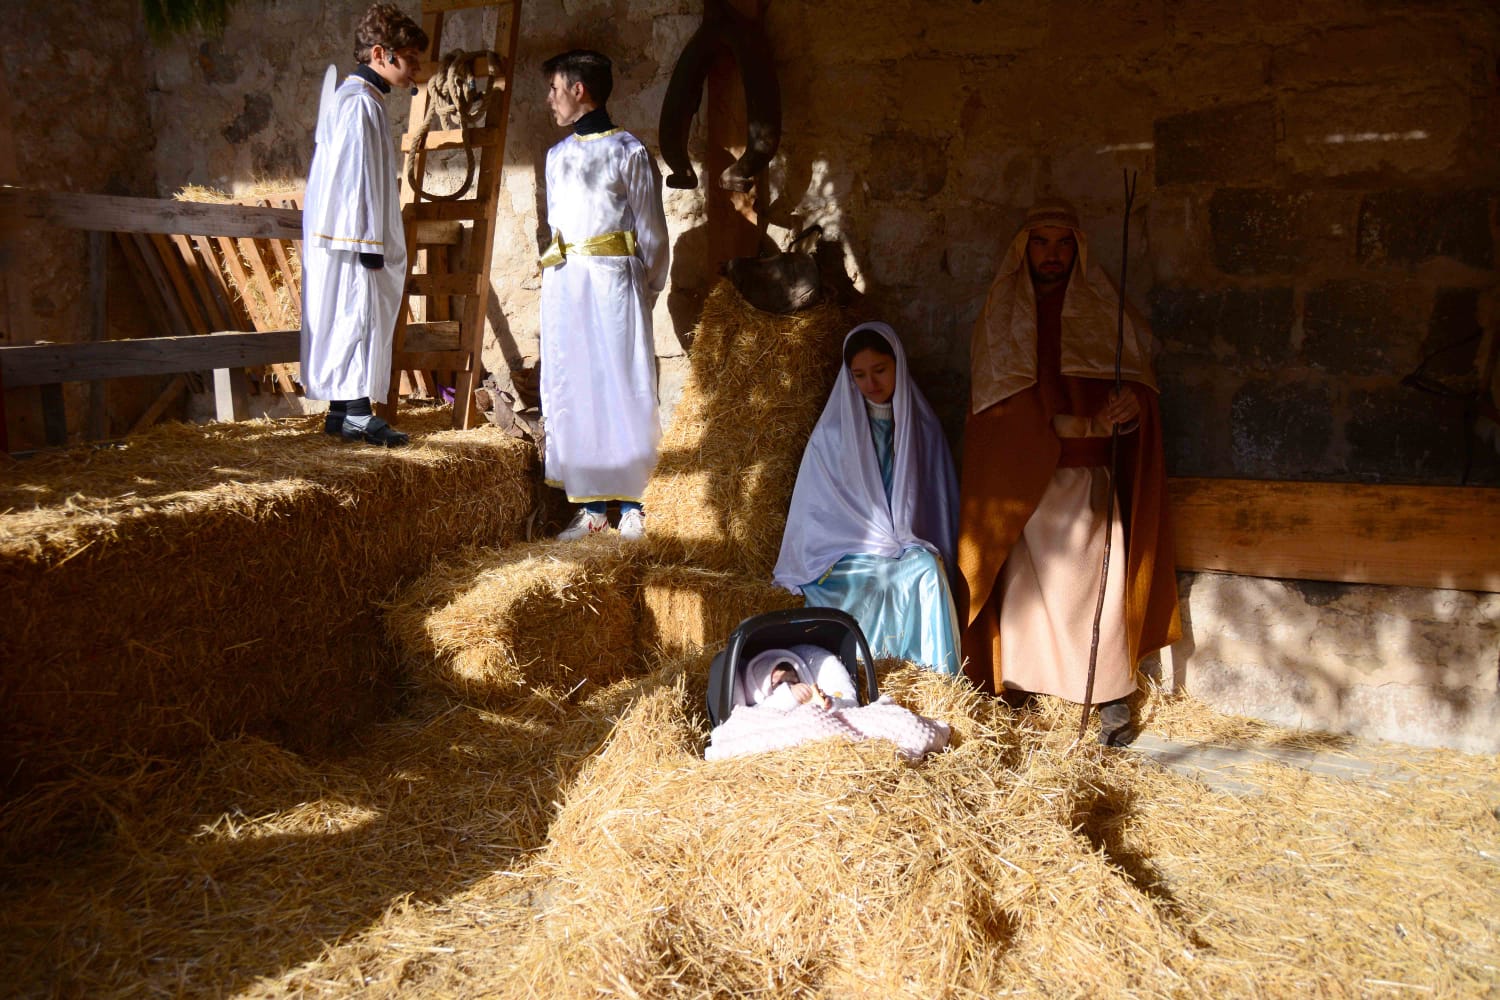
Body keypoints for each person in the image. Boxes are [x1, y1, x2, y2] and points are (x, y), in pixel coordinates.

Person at [956, 198, 1180, 745]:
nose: (1051, 255)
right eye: (1040, 243)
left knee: (1090, 585)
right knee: (1027, 590)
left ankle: (1106, 694)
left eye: (1062, 244)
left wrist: (1128, 408)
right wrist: (1073, 424)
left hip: (1087, 477)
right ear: (1023, 249)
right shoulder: (1001, 317)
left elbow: (1139, 393)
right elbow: (995, 407)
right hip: (1023, 478)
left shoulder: (1106, 310)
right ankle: (1025, 685)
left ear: (1078, 249)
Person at [772, 322, 963, 675]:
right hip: (846, 555)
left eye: (880, 371)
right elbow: (814, 515)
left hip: (906, 548)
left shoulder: (924, 429)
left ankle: (932, 680)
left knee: (925, 571)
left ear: (898, 366)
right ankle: (864, 671)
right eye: (859, 375)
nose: (871, 384)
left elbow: (939, 506)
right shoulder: (831, 435)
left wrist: (908, 542)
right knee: (873, 579)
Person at [538, 50, 670, 541]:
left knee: (623, 382)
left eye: (555, 89)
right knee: (581, 384)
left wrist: (645, 287)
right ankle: (592, 506)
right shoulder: (557, 157)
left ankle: (633, 503)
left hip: (616, 283)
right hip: (568, 285)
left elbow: (652, 233)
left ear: (579, 90)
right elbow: (558, 229)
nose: (549, 99)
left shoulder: (628, 152)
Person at [300, 3, 427, 447]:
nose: (415, 71)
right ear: (381, 54)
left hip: (355, 231)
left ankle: (340, 411)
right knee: (357, 312)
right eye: (409, 59)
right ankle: (356, 412)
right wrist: (366, 241)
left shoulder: (362, 101)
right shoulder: (356, 104)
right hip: (354, 235)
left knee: (351, 314)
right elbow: (353, 178)